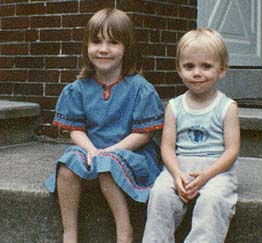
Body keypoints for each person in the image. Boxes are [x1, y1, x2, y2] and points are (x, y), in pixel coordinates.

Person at [44, 8, 164, 243]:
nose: (103, 49)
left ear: (126, 47)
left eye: (113, 42)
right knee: (67, 165)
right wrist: (91, 150)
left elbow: (143, 135)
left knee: (106, 164)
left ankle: (124, 231)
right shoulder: (78, 88)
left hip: (132, 153)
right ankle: (69, 233)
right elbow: (75, 130)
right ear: (86, 46)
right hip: (93, 150)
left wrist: (108, 152)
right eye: (96, 41)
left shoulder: (139, 88)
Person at [142, 28, 240, 243]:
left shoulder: (227, 107)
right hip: (179, 167)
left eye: (206, 66)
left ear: (222, 70)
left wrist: (206, 176)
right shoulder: (175, 107)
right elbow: (167, 147)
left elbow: (232, 150)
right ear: (179, 69)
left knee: (213, 201)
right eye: (189, 66)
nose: (197, 73)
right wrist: (176, 174)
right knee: (160, 195)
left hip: (216, 170)